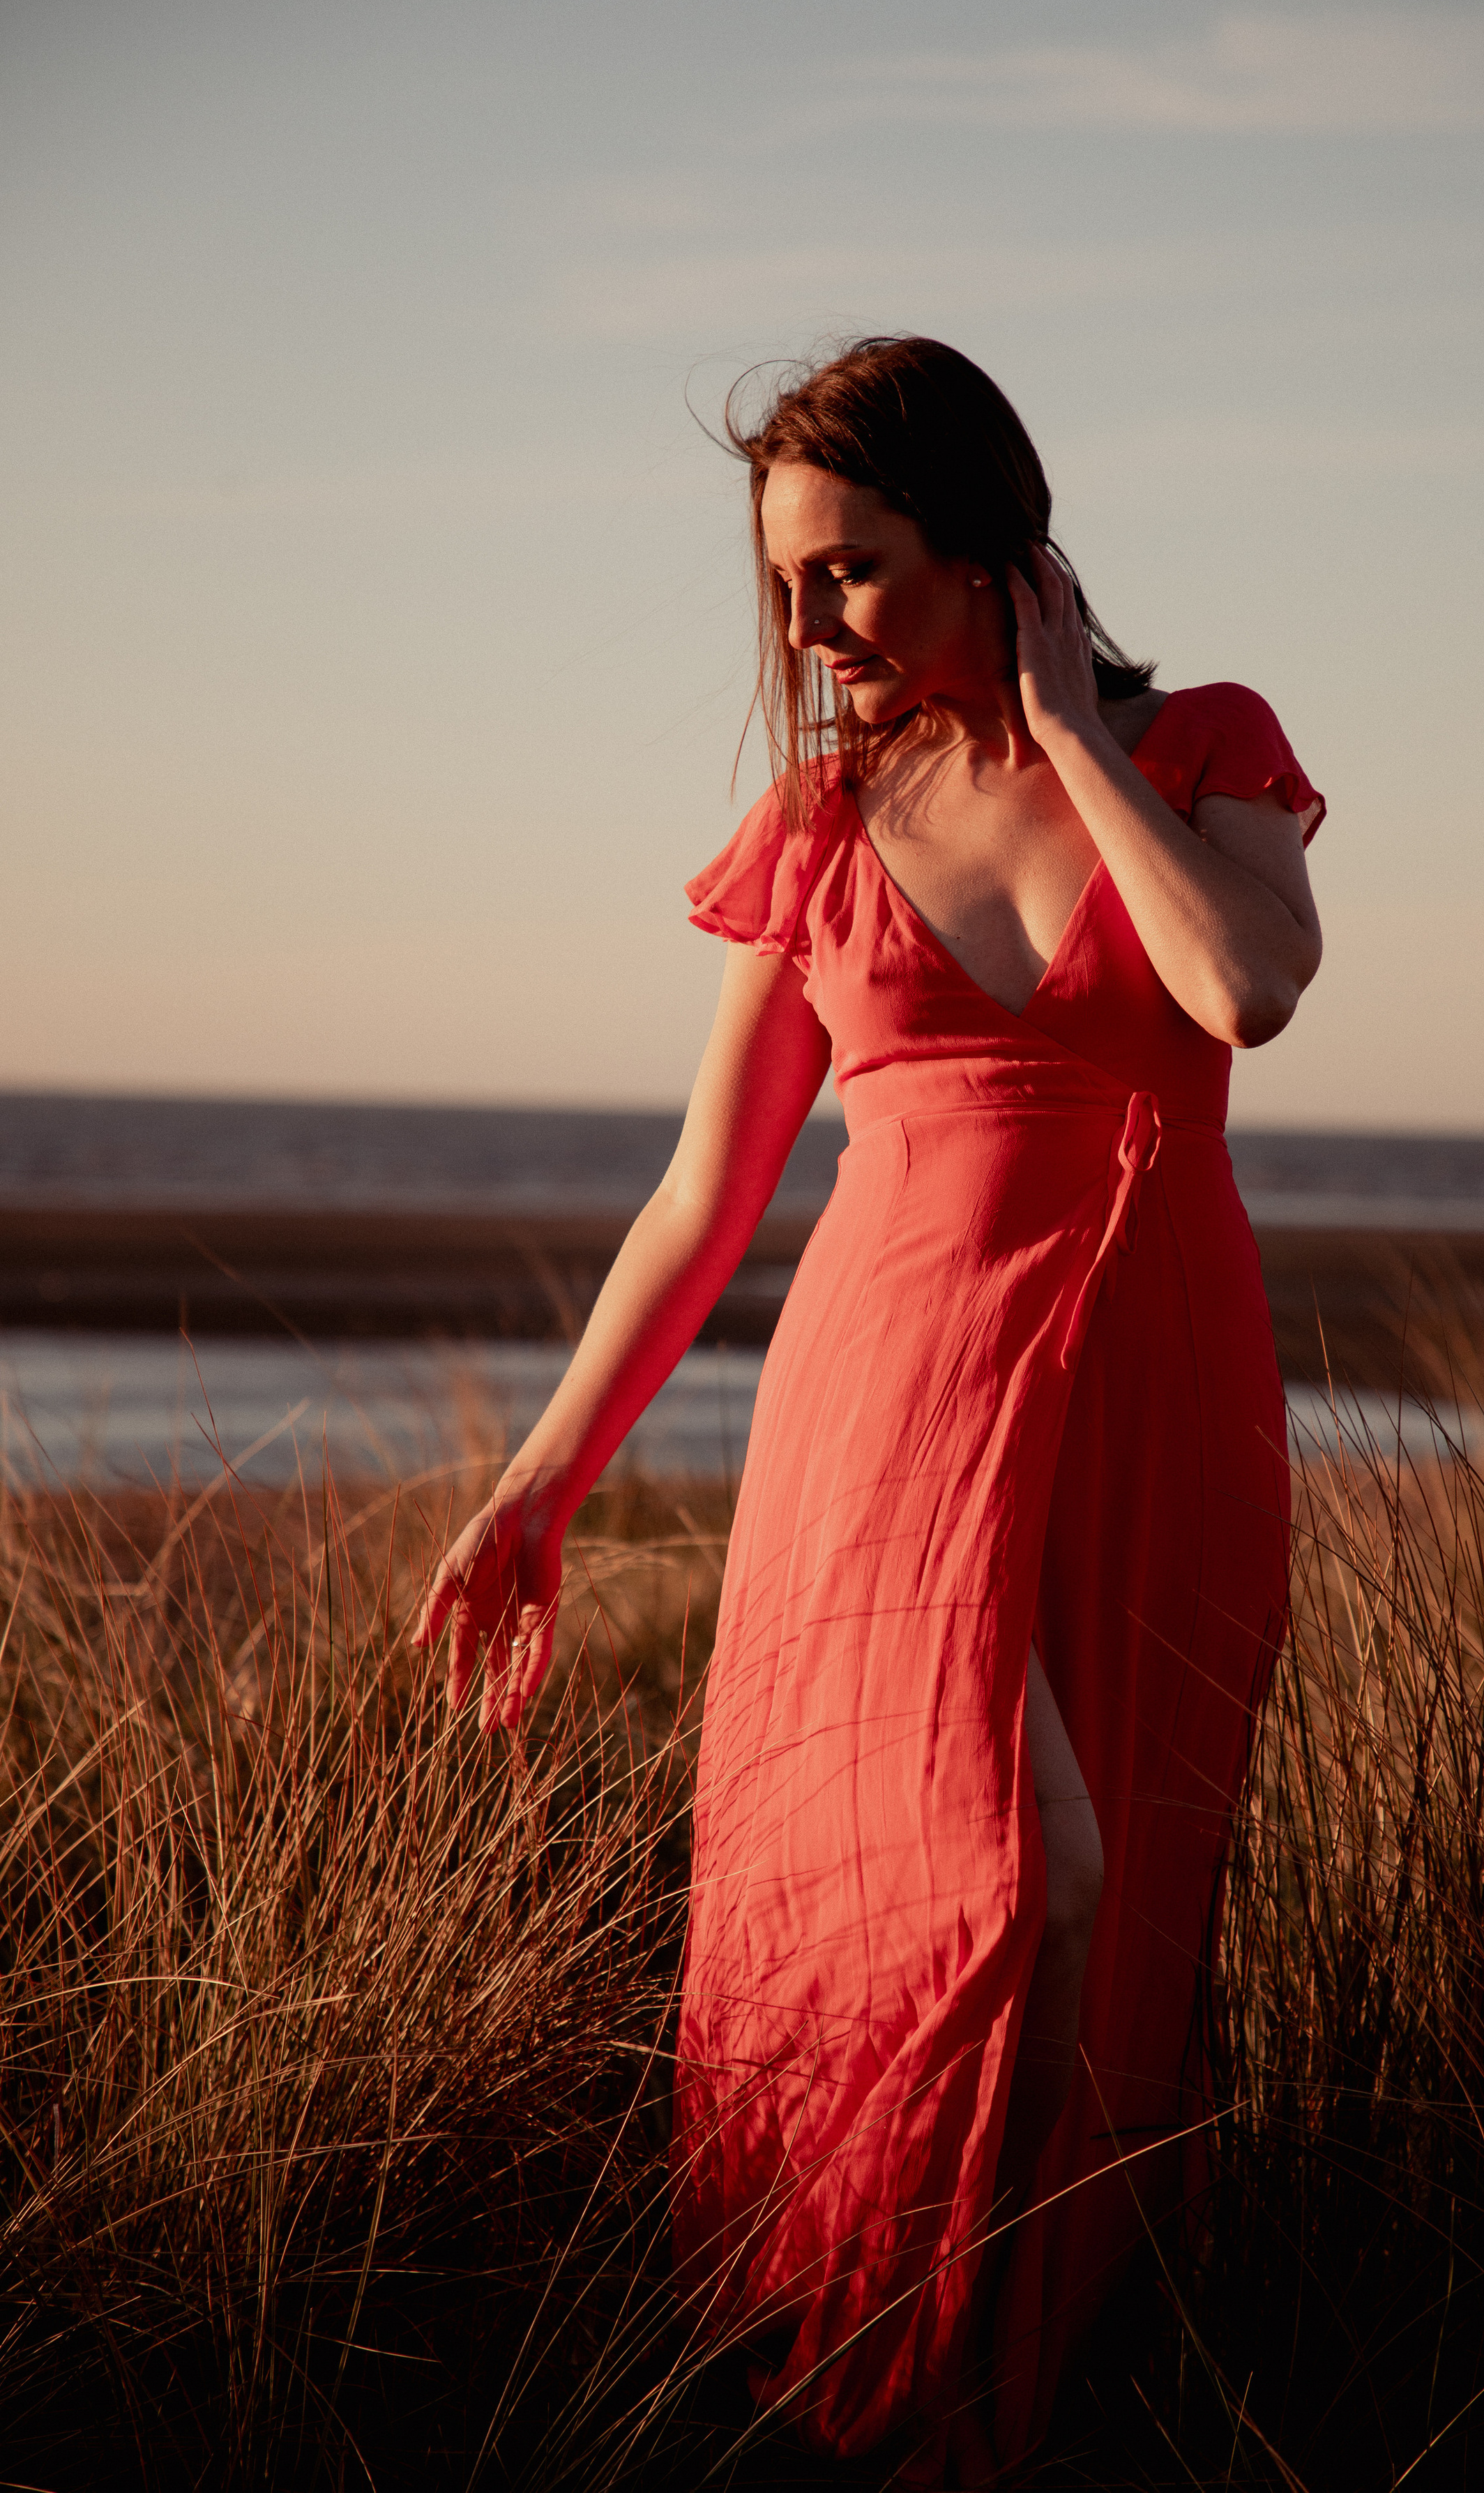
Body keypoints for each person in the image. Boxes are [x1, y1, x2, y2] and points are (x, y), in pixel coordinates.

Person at [413, 336, 1324, 2484]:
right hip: (887, 1412)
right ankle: (875, 2386)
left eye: (858, 571)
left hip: (1151, 1395)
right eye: (794, 585)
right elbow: (702, 1193)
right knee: (1022, 1880)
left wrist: (1067, 736)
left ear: (999, 552)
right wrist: (542, 1484)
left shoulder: (1205, 749)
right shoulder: (824, 818)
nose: (818, 627)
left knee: (1126, 1935)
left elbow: (1245, 992)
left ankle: (1033, 2394)